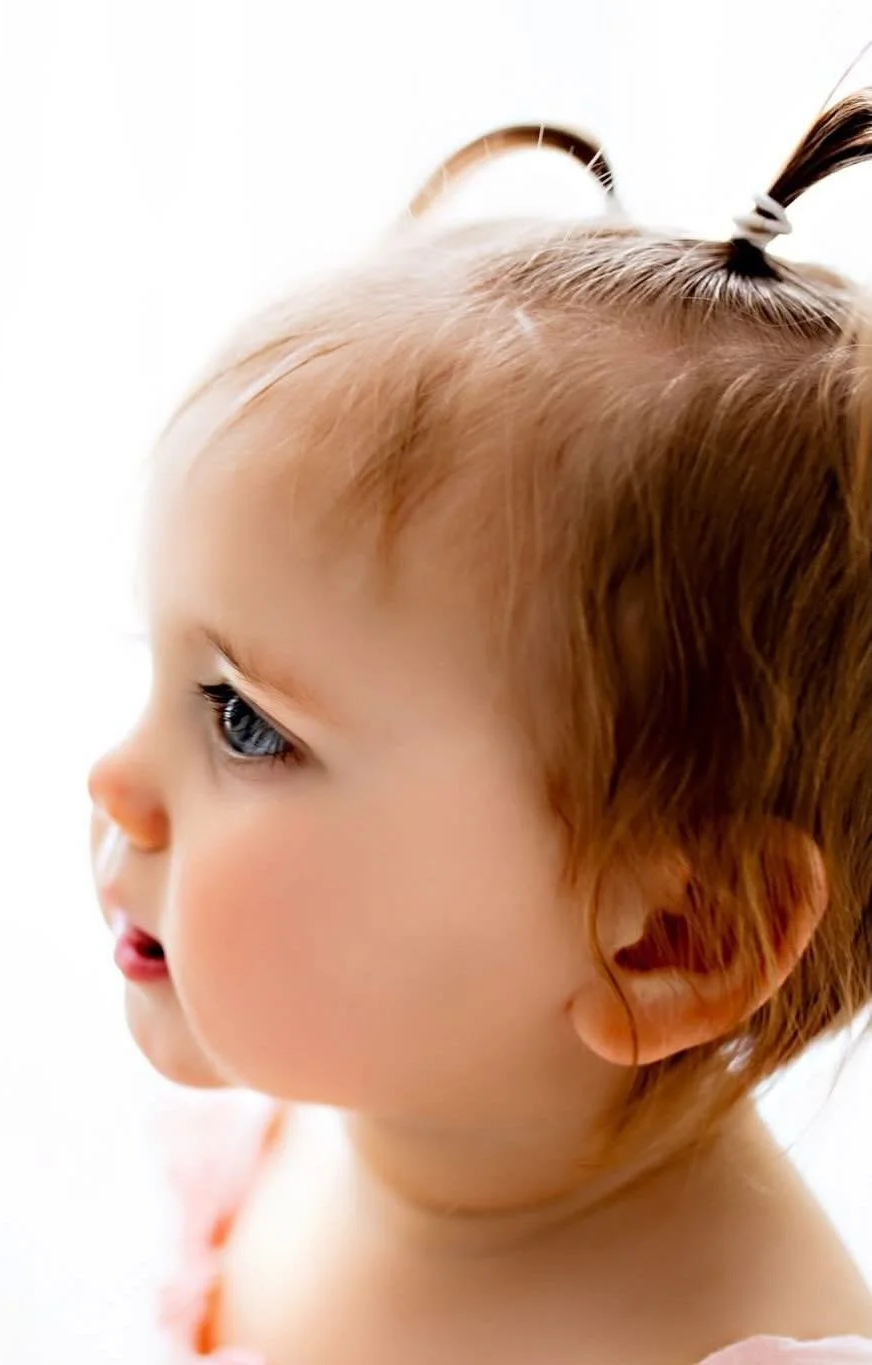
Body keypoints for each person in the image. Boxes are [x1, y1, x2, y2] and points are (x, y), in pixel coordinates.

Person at [87, 73, 872, 1365]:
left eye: (244, 724)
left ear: (673, 932)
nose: (115, 779)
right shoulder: (338, 1111)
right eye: (160, 670)